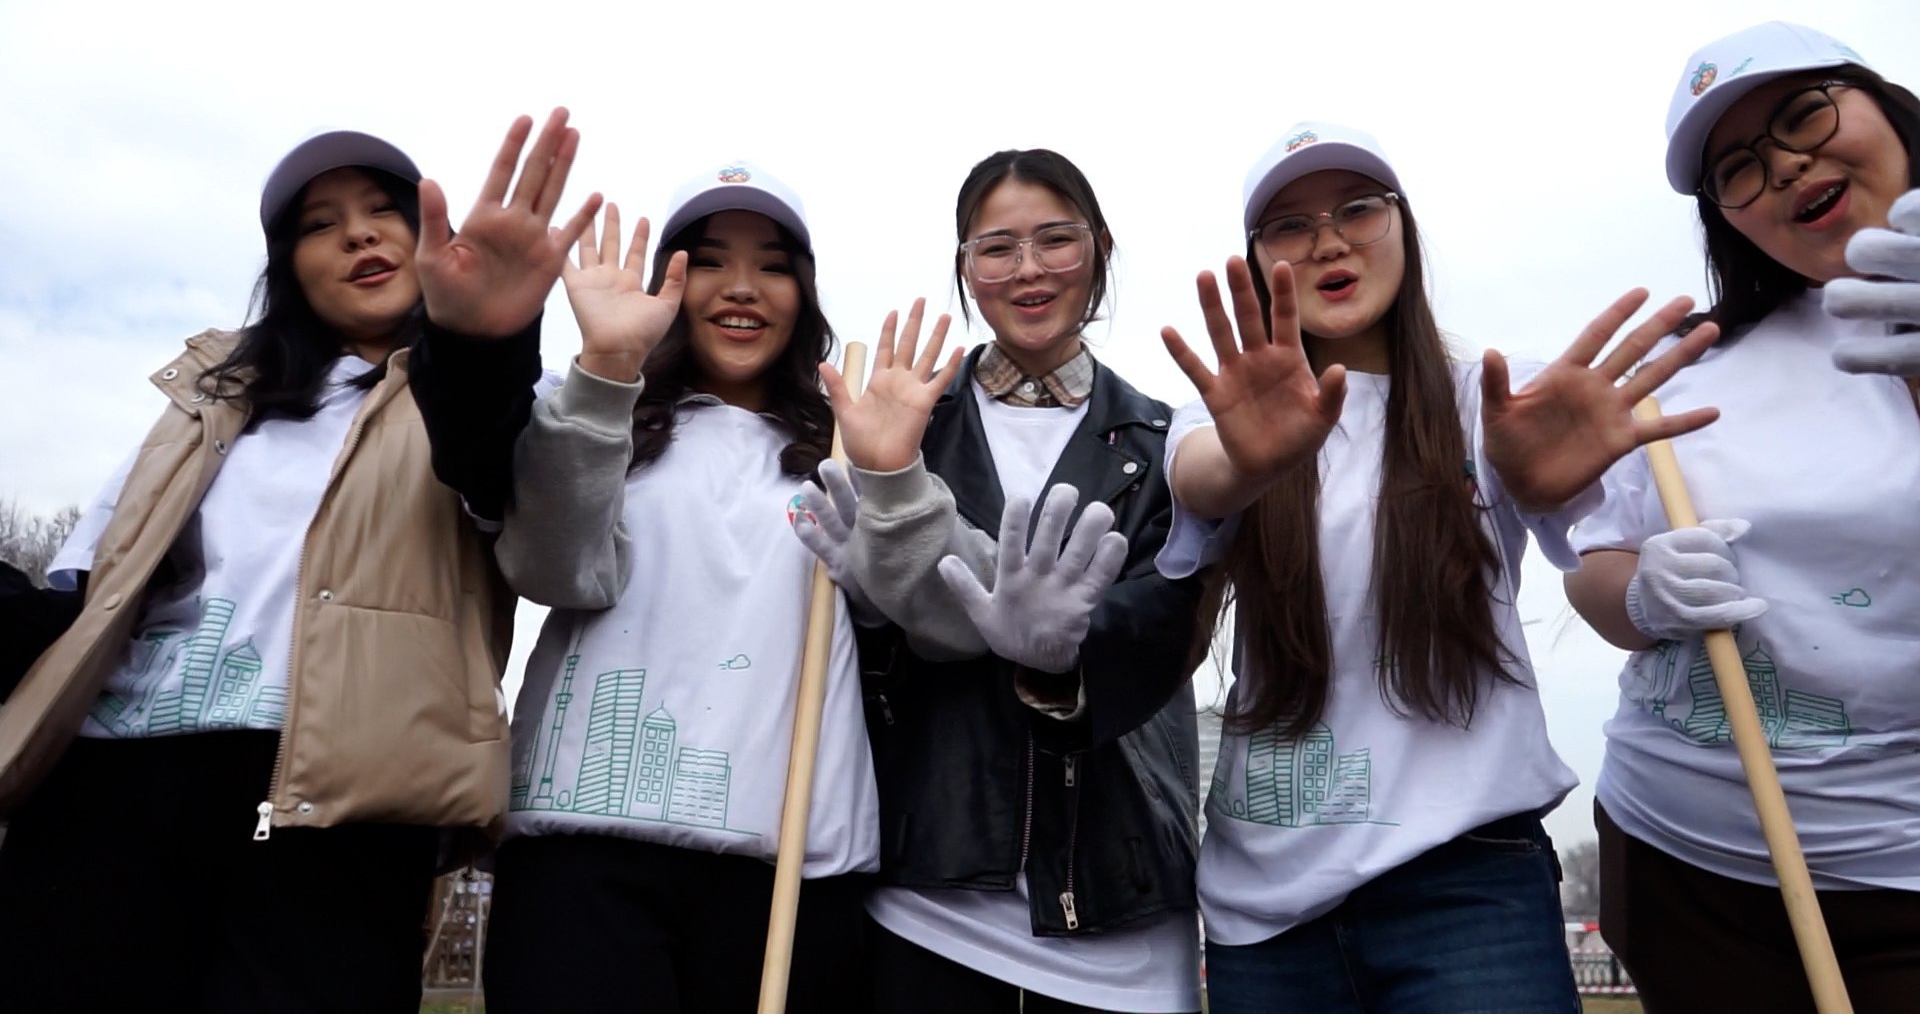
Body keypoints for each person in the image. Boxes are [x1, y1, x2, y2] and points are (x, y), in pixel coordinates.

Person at [0, 110, 599, 1013]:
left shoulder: (499, 397)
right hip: (113, 776)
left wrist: (486, 346)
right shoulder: (213, 401)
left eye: (382, 211)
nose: (357, 234)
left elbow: (509, 494)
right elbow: (91, 592)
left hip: (340, 806)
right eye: (320, 224)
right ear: (289, 268)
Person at [1158, 122, 1717, 1013]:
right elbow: (1202, 477)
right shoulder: (1219, 417)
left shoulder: (1492, 398)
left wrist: (1623, 563)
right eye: (1290, 225)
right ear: (1259, 260)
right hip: (1264, 907)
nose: (1329, 241)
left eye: (1357, 209)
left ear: (1404, 228)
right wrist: (1246, 461)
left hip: (1469, 886)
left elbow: (1594, 563)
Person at [408, 162, 878, 1013]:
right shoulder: (588, 405)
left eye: (773, 265)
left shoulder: (850, 445)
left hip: (785, 872)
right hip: (582, 856)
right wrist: (606, 369)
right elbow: (551, 568)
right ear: (669, 282)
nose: (742, 287)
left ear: (805, 294)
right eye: (710, 261)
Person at [797, 148, 1205, 1013]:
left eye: (1056, 239)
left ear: (1099, 250)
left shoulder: (1170, 444)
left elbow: (1164, 633)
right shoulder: (898, 432)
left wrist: (1067, 652)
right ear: (964, 268)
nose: (1028, 270)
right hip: (925, 901)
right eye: (996, 248)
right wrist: (875, 596)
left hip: (1124, 904)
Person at [1565, 21, 1920, 1012]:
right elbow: (1593, 568)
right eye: (1738, 170)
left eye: (1805, 113)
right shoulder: (1686, 364)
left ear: (1886, 106)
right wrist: (1643, 594)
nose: (1786, 164)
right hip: (1683, 856)